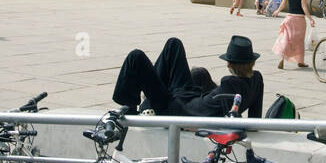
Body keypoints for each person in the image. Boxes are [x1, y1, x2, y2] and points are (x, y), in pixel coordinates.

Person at [111, 36, 262, 118]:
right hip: (189, 97)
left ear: (228, 64)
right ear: (252, 62)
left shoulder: (229, 84)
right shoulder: (257, 79)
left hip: (174, 107)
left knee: (136, 56)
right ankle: (149, 103)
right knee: (174, 44)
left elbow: (225, 120)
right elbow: (255, 117)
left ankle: (131, 105)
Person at [272, 0, 315, 69]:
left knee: (286, 39)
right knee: (299, 41)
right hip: (299, 20)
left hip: (289, 18)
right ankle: (300, 61)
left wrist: (277, 11)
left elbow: (283, 4)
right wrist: (310, 19)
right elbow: (304, 6)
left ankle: (282, 59)